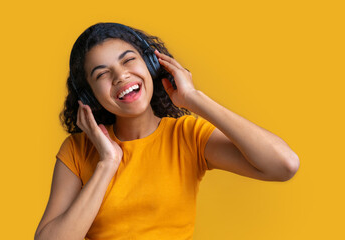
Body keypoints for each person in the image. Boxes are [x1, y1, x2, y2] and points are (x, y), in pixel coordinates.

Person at [34, 22, 300, 240]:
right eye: (102, 74)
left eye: (128, 61)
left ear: (151, 65)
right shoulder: (78, 149)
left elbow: (284, 165)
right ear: (91, 97)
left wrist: (194, 98)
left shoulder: (187, 136)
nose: (121, 76)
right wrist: (108, 163)